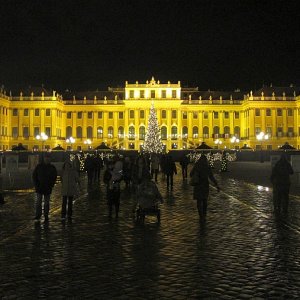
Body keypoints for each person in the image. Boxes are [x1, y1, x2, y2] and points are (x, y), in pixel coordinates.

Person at [190, 154, 220, 219]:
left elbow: (191, 174)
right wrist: (216, 185)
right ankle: (204, 214)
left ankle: (200, 215)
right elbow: (211, 177)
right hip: (205, 184)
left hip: (198, 184)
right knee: (204, 200)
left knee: (199, 201)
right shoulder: (207, 166)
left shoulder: (197, 165)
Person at [32, 153, 57, 222]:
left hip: (47, 188)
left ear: (50, 159)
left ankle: (46, 215)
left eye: (48, 158)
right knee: (38, 202)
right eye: (46, 158)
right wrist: (36, 185)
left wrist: (51, 185)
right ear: (44, 159)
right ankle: (38, 215)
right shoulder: (39, 166)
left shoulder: (52, 167)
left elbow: (54, 177)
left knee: (46, 203)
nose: (47, 159)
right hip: (39, 187)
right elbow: (34, 176)